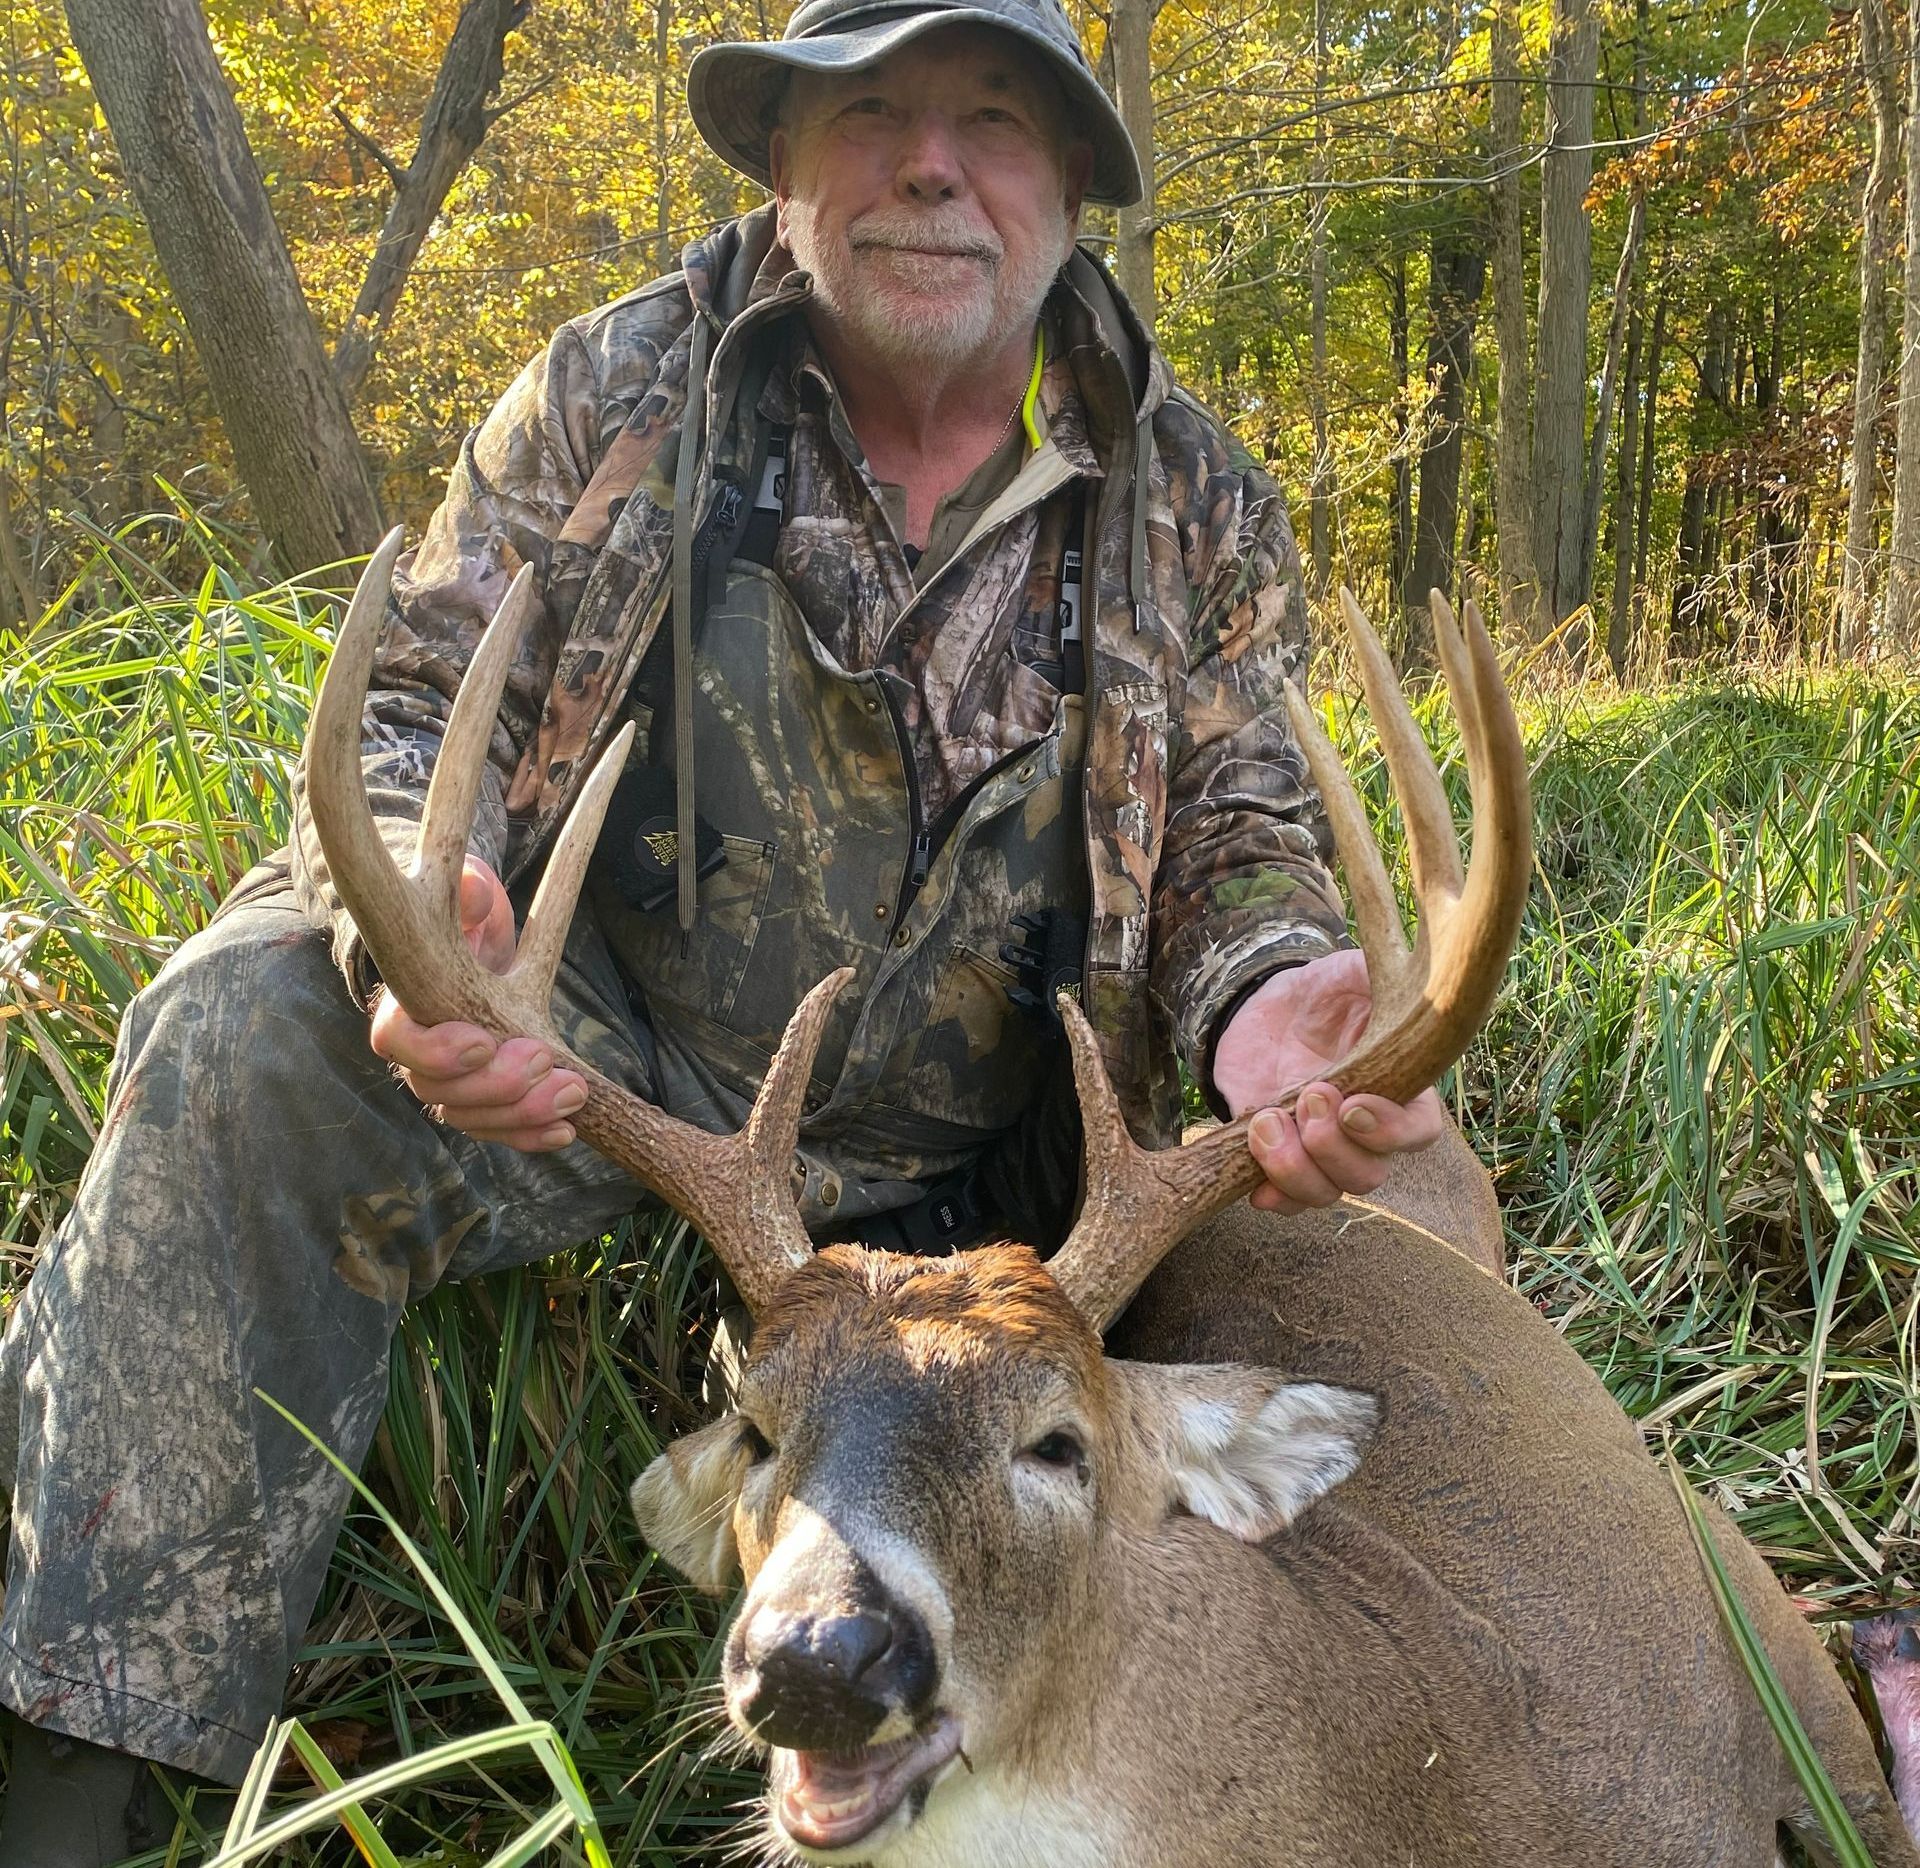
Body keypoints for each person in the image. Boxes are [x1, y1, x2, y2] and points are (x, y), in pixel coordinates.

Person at [0, 0, 1489, 1857]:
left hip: (1018, 1152)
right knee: (244, 1036)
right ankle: (71, 1771)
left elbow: (1248, 827)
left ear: (1071, 191)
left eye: (995, 119)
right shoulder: (617, 394)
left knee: (1406, 1189)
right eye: (873, 110)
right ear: (781, 162)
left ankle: (1443, 1700)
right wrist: (422, 925)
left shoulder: (1186, 492)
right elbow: (409, 708)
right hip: (627, 1079)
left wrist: (1274, 997)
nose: (933, 163)